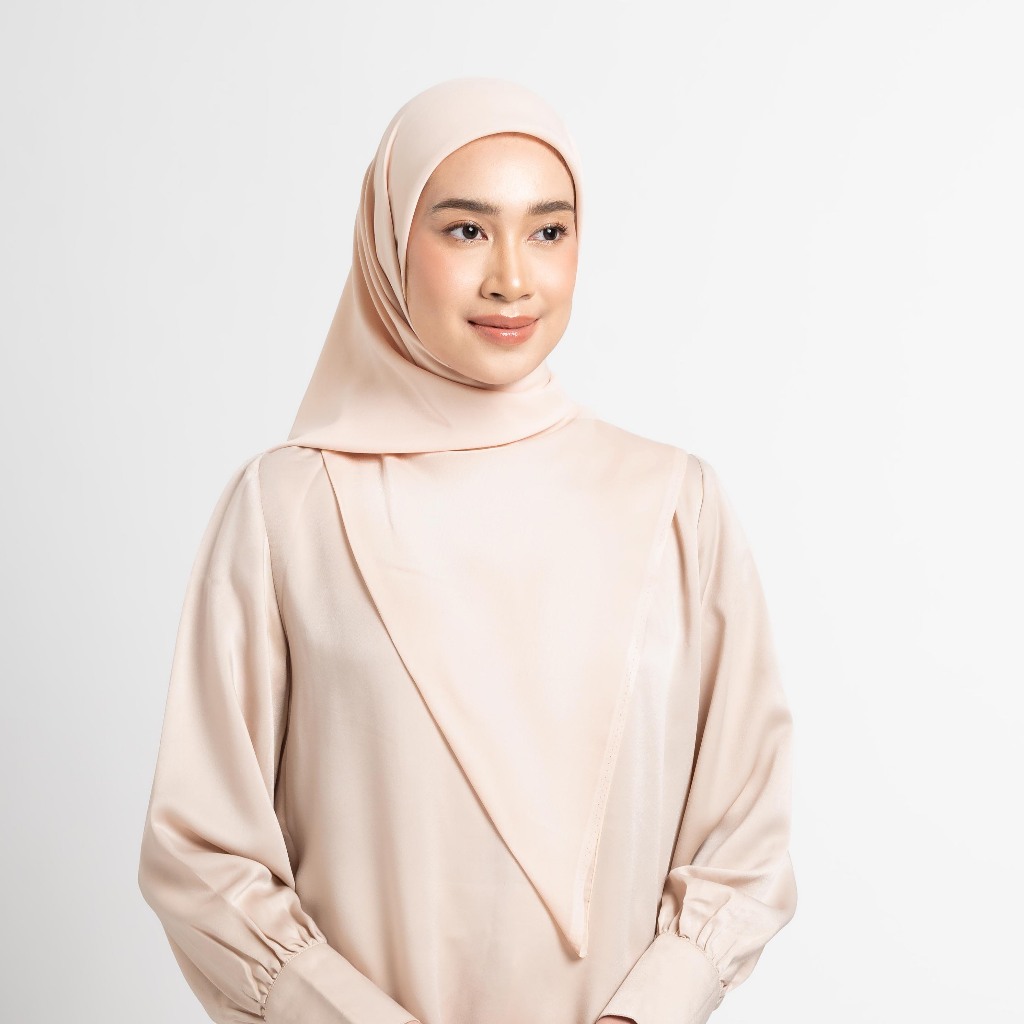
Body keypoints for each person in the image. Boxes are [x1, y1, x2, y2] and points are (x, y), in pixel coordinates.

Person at [137, 76, 798, 1024]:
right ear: (388, 241)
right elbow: (201, 853)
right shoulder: (288, 508)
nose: (512, 280)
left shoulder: (675, 503)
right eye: (465, 230)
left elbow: (745, 830)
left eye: (549, 230)